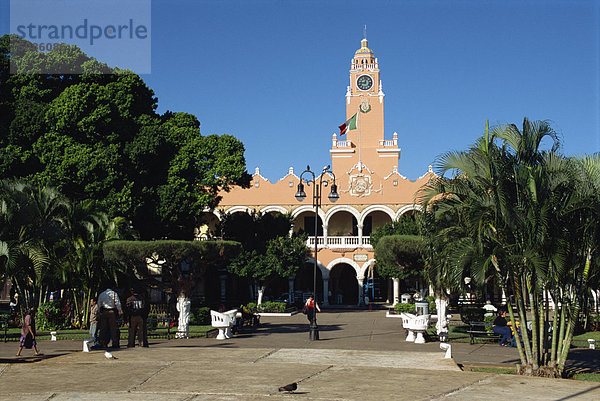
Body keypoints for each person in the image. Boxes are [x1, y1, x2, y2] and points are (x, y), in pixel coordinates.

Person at [97, 284, 123, 348]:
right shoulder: (114, 294)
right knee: (113, 328)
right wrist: (120, 311)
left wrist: (99, 312)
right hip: (112, 312)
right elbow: (118, 303)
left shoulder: (102, 294)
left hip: (104, 312)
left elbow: (99, 304)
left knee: (103, 328)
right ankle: (115, 343)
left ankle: (102, 342)